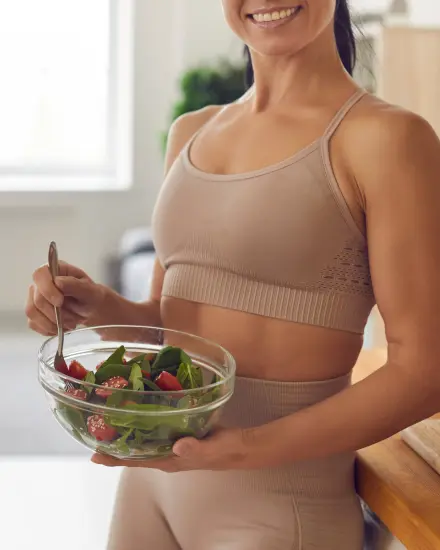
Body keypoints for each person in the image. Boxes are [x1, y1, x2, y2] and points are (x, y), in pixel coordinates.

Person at [26, 1, 440, 549]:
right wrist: (97, 307)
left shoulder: (386, 139)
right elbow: (170, 328)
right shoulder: (191, 132)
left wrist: (245, 447)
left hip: (279, 507)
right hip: (150, 487)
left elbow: (425, 370)